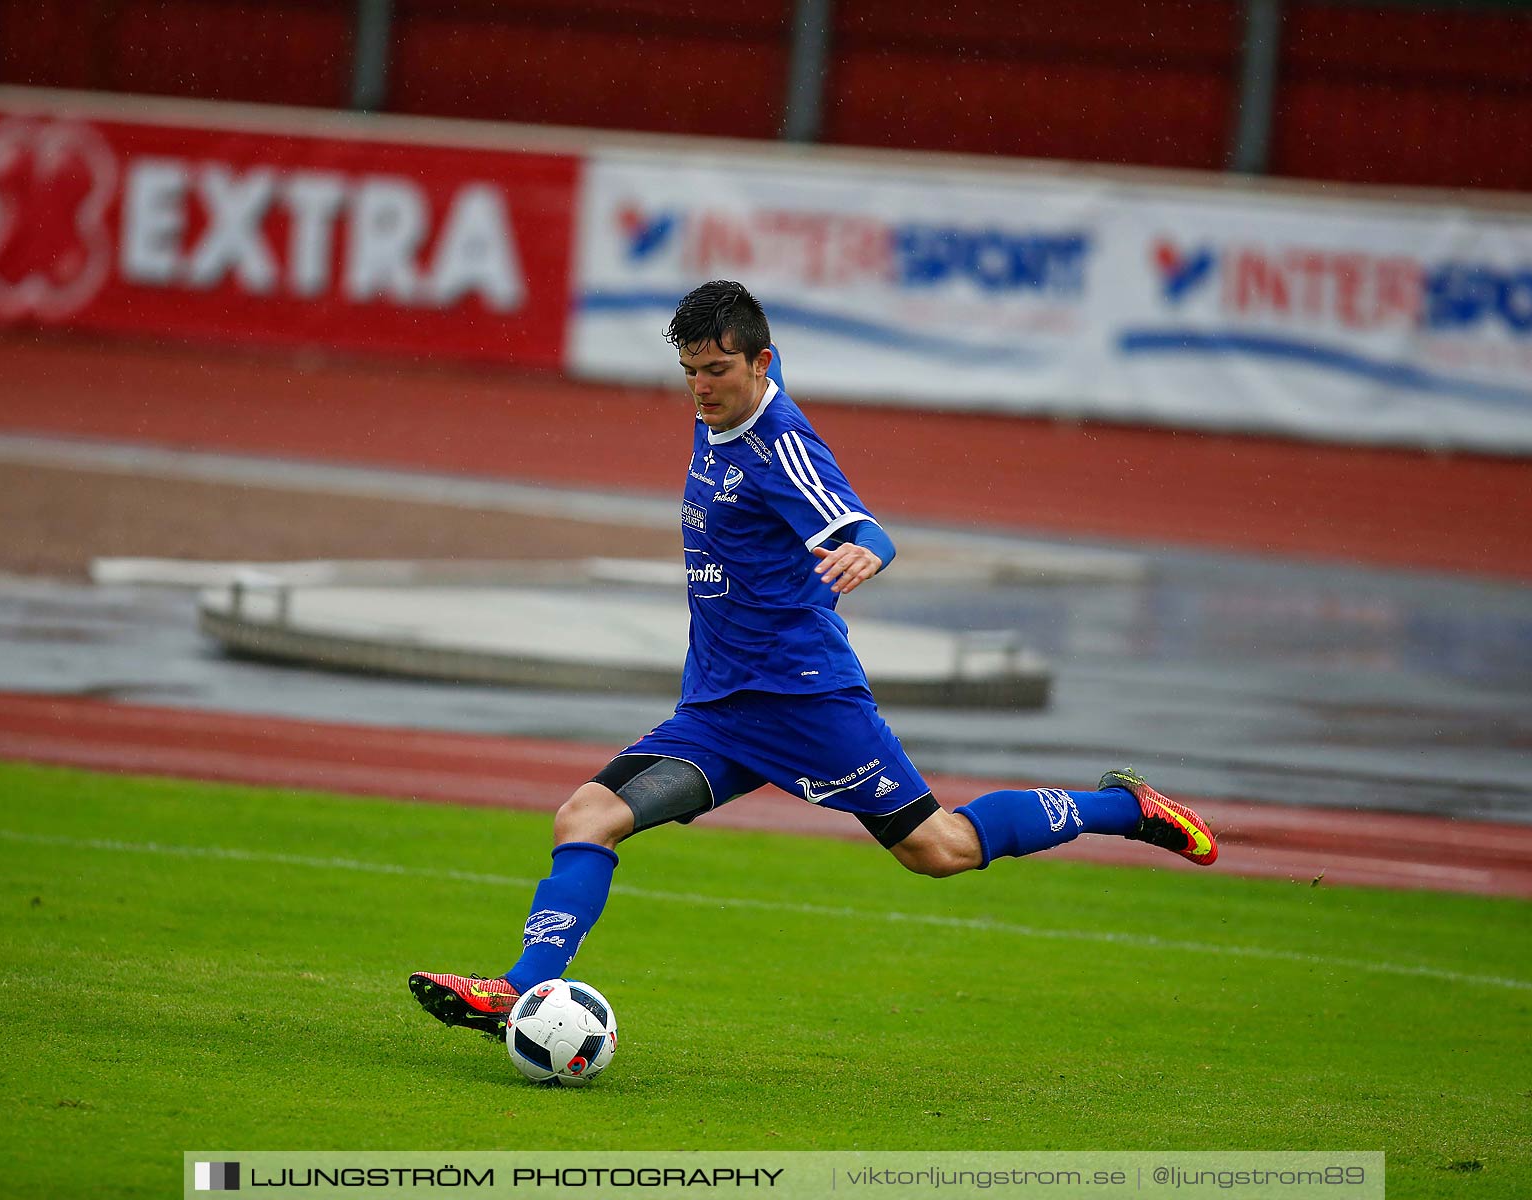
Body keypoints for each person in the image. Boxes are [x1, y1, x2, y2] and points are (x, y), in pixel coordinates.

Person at [410, 280, 1217, 1038]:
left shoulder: (780, 445)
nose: (700, 387)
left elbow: (864, 525)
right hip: (719, 709)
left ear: (760, 363)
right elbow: (738, 360)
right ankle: (521, 987)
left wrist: (867, 551)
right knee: (586, 816)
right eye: (690, 370)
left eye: (717, 370)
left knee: (938, 851)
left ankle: (1128, 809)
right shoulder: (724, 399)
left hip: (805, 702)